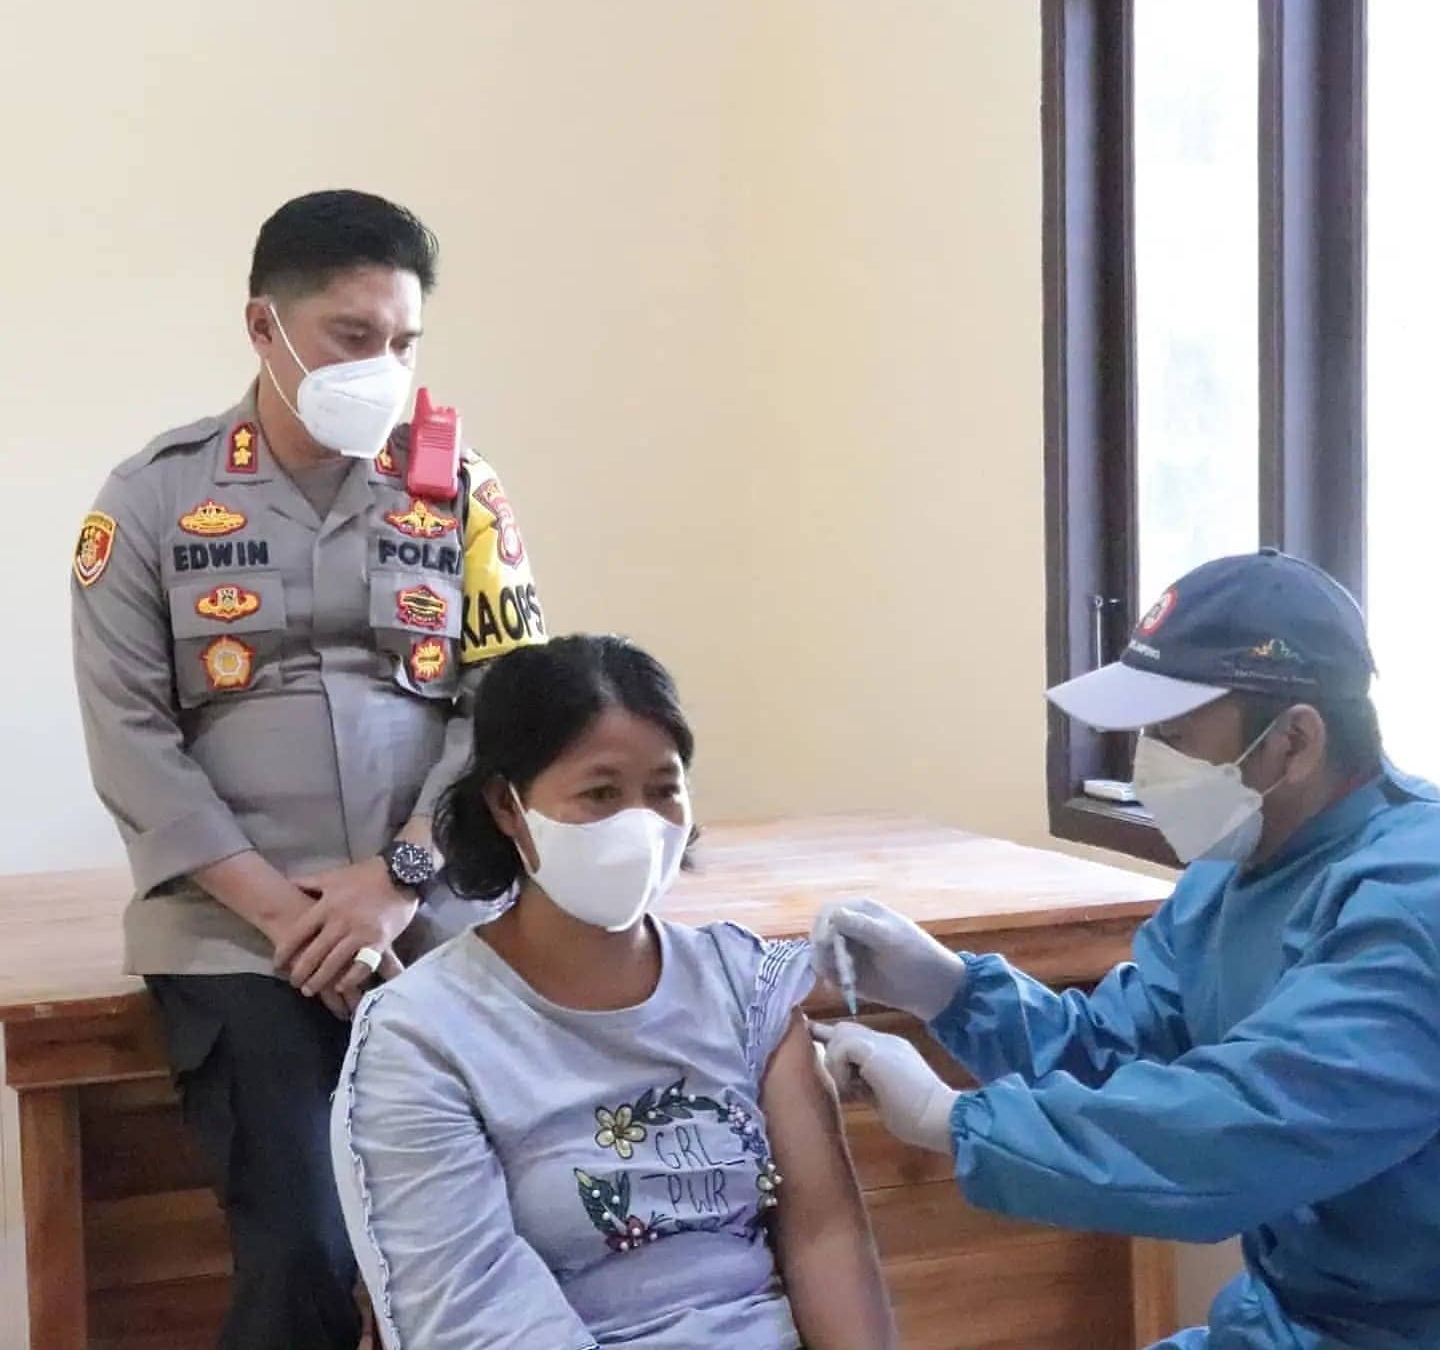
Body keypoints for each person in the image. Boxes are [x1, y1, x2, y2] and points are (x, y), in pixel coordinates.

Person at [70, 189, 546, 1350]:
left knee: (504, 1233)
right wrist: (293, 917)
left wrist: (400, 877)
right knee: (303, 1254)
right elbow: (130, 735)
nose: (383, 367)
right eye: (353, 335)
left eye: (404, 342)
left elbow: (510, 705)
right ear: (263, 327)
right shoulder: (151, 498)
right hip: (238, 940)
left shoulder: (462, 492)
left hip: (437, 919)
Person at [812, 550, 1440, 1350]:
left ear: (1295, 740)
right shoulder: (1232, 874)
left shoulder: (1415, 896)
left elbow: (1245, 1129)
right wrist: (951, 991)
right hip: (1291, 1322)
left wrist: (954, 1119)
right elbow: (1123, 1050)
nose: (1147, 765)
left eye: (1173, 736)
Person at [331, 634, 896, 1350]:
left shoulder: (747, 989)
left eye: (663, 790)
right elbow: (472, 1310)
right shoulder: (421, 1035)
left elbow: (826, 1237)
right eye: (600, 794)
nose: (640, 825)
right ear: (507, 806)